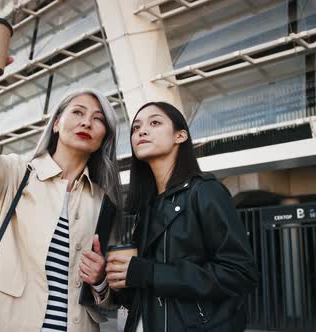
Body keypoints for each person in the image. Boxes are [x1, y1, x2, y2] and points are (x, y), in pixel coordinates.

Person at [0, 24, 121, 331]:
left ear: (103, 136)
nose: (87, 122)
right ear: (56, 124)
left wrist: (100, 282)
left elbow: (108, 298)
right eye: (78, 112)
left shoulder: (103, 202)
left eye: (98, 119)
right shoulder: (17, 174)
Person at [105, 102, 258, 331]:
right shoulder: (145, 208)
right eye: (135, 128)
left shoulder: (205, 191)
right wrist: (109, 277)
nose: (141, 131)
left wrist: (148, 272)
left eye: (154, 123)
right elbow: (142, 290)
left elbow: (240, 273)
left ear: (180, 135)